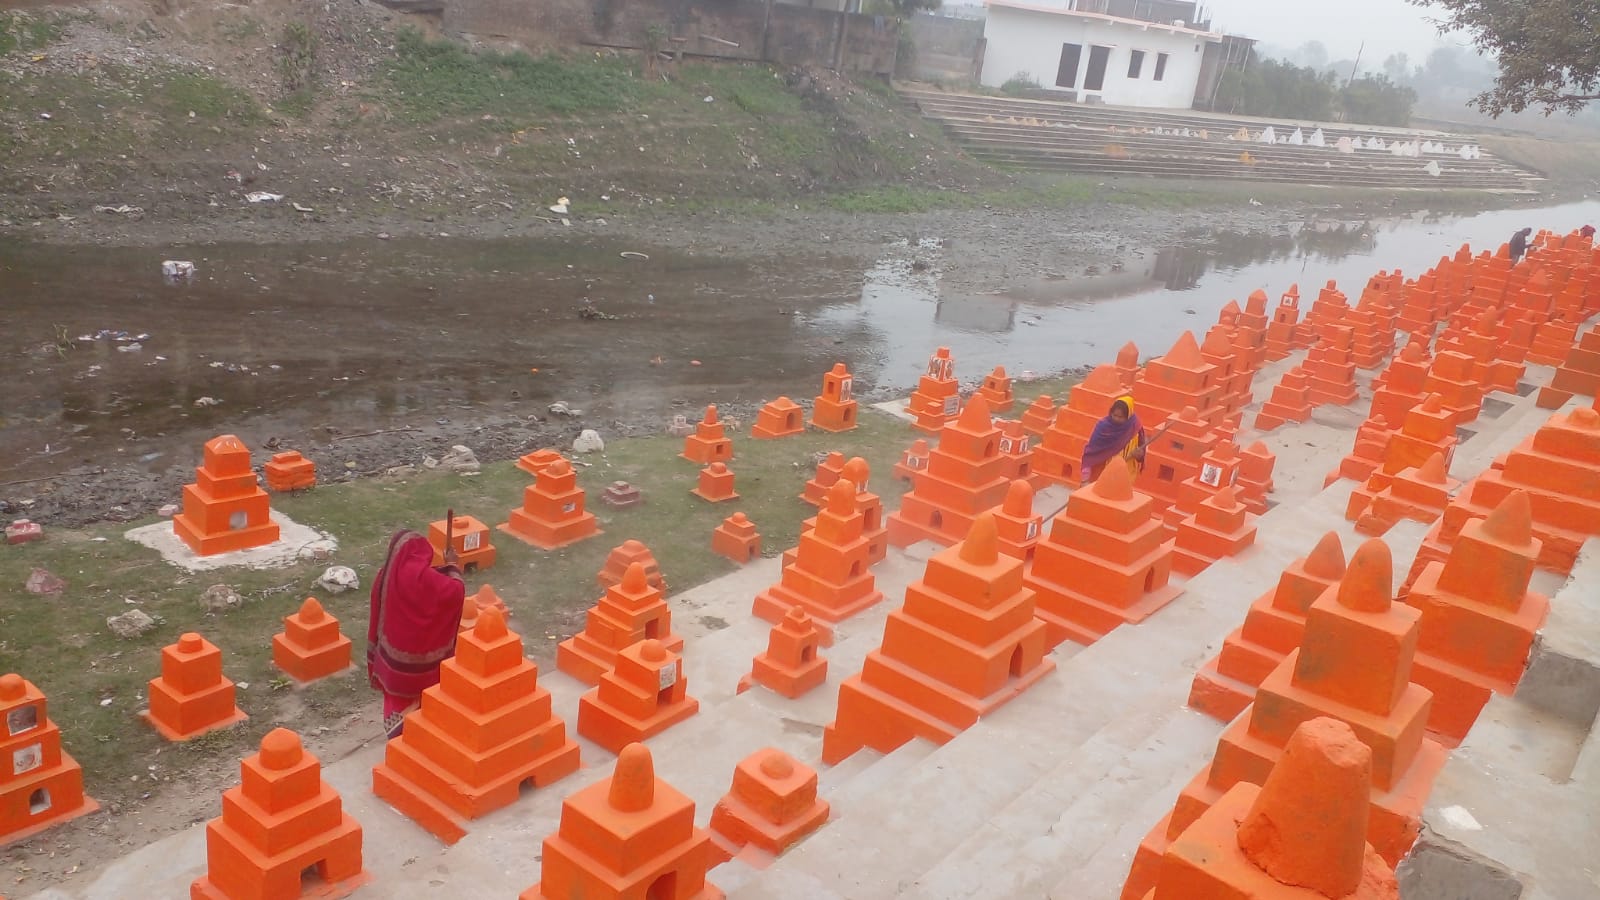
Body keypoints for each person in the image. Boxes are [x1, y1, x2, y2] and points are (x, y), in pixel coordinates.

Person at [367, 529, 466, 739]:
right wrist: (453, 565)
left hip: (391, 665)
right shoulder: (426, 581)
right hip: (422, 672)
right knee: (421, 712)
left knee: (395, 703)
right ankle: (416, 740)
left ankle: (396, 737)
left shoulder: (384, 576)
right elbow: (454, 591)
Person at [1079, 395, 1147, 483]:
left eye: (1120, 417)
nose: (1116, 419)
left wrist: (1138, 454)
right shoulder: (1102, 427)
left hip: (1126, 473)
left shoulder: (1135, 427)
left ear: (1128, 416)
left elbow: (1141, 452)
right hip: (1103, 471)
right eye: (1114, 415)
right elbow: (1092, 451)